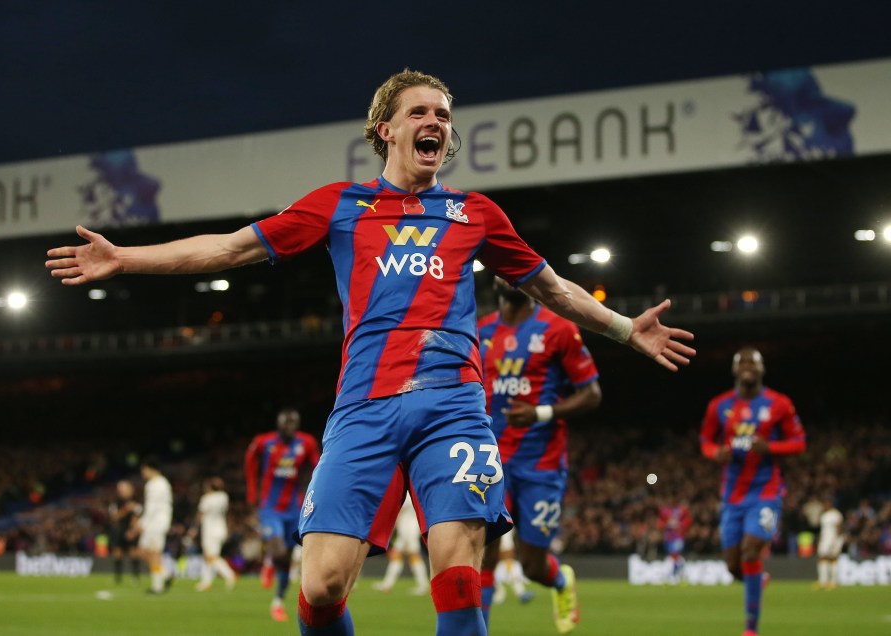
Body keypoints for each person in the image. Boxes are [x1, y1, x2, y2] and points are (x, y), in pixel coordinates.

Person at [46, 68, 695, 636]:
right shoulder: (340, 206)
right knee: (323, 587)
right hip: (363, 409)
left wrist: (621, 327)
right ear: (385, 129)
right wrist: (125, 257)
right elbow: (230, 248)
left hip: (454, 407)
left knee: (458, 568)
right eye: (420, 112)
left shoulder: (475, 213)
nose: (435, 122)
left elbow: (550, 287)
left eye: (443, 114)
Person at [477, 276, 603, 633]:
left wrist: (542, 412)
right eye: (498, 271)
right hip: (490, 460)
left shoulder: (557, 329)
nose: (506, 276)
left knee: (532, 565)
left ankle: (561, 581)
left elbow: (592, 394)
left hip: (541, 463)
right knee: (482, 551)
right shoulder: (479, 330)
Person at [700, 347, 806, 636]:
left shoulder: (779, 404)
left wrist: (770, 447)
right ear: (734, 370)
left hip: (766, 493)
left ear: (762, 370)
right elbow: (706, 441)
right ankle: (759, 578)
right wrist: (716, 453)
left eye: (753, 362)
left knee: (750, 552)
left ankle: (751, 629)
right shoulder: (719, 406)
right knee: (734, 566)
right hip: (732, 497)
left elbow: (799, 443)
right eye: (742, 362)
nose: (747, 366)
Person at [245, 408, 320, 621]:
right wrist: (252, 493)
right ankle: (270, 561)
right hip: (270, 508)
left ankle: (277, 602)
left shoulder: (305, 443)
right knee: (278, 551)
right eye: (285, 423)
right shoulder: (264, 442)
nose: (289, 427)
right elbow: (249, 460)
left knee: (286, 560)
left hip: (294, 509)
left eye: (293, 423)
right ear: (278, 424)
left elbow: (318, 466)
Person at [372, 492, 430, 595]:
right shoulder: (415, 491)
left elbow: (399, 511)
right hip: (408, 526)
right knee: (397, 555)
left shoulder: (408, 493)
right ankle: (387, 584)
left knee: (413, 555)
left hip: (409, 528)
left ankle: (423, 585)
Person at [194, 476, 238, 592]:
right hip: (221, 529)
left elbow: (201, 514)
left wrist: (194, 528)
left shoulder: (207, 498)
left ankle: (229, 574)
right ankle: (206, 582)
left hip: (209, 530)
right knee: (208, 557)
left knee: (211, 556)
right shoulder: (224, 497)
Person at [138, 457, 174, 594]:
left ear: (149, 469)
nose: (143, 473)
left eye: (144, 470)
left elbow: (152, 507)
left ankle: (157, 586)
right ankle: (165, 574)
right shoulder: (162, 483)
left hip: (156, 522)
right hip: (154, 522)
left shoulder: (156, 484)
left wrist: (142, 523)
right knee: (143, 551)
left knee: (154, 553)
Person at [107, 479, 142, 584]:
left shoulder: (137, 502)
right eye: (120, 489)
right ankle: (118, 577)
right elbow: (114, 517)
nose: (122, 491)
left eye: (124, 488)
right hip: (119, 530)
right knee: (117, 553)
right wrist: (126, 509)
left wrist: (133, 530)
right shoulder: (115, 503)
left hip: (131, 530)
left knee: (134, 553)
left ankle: (135, 577)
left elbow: (138, 516)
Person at [491, 528, 534, 605]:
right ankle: (501, 592)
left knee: (513, 572)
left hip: (503, 558)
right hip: (500, 557)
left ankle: (520, 593)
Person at [657, 491, 692, 585]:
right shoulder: (664, 511)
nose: (670, 501)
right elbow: (659, 524)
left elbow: (688, 521)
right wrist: (666, 524)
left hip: (678, 537)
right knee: (673, 556)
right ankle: (681, 574)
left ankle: (674, 576)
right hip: (668, 537)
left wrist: (681, 526)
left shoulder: (681, 510)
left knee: (674, 554)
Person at [814, 496, 844, 590]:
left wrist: (836, 541)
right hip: (825, 539)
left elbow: (839, 528)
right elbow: (823, 530)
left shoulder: (836, 514)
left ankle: (833, 581)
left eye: (826, 504)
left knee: (833, 558)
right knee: (822, 558)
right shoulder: (824, 515)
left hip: (833, 539)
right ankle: (823, 581)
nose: (824, 506)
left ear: (830, 504)